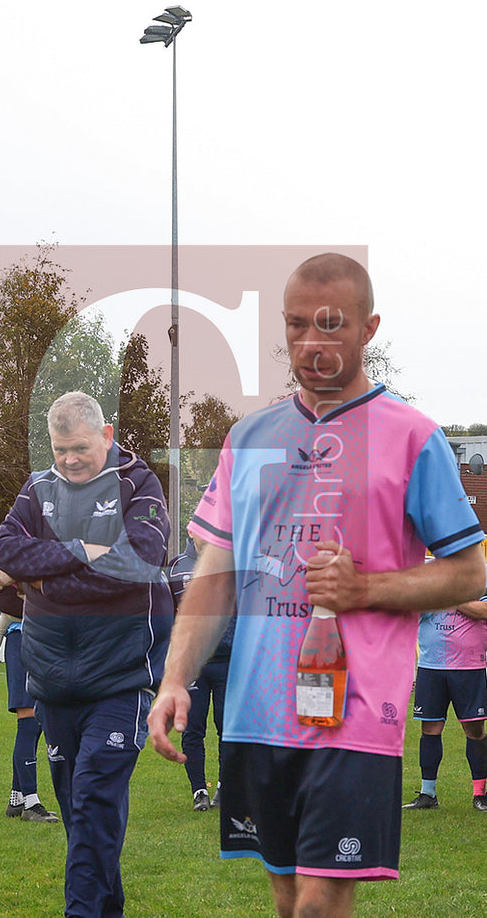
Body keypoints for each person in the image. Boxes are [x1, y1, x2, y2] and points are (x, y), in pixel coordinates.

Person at [147, 253, 486, 918]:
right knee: (283, 896)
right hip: (253, 712)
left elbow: (468, 571)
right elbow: (214, 576)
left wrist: (363, 590)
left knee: (318, 903)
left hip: (355, 714)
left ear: (368, 328)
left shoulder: (414, 437)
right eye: (295, 325)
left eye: (329, 325)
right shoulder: (247, 437)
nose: (309, 344)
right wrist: (174, 677)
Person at [0, 390, 173, 918]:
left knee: (93, 805)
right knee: (83, 820)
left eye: (80, 448)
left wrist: (46, 580)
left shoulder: (136, 483)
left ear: (107, 436)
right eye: (59, 449)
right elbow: (6, 548)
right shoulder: (38, 487)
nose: (69, 460)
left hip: (118, 682)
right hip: (50, 683)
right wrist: (81, 554)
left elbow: (140, 558)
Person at [0, 569, 61, 823]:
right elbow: (8, 602)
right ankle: (31, 802)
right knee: (28, 719)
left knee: (35, 724)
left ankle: (17, 797)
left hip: (40, 643)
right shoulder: (11, 562)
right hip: (23, 641)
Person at [401, 592, 487, 811]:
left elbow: (483, 611)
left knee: (474, 729)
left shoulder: (480, 582)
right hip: (431, 668)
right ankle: (427, 794)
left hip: (469, 669)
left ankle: (480, 794)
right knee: (430, 727)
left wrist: (449, 599)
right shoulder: (430, 584)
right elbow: (410, 611)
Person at [168, 536, 234, 811]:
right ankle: (198, 791)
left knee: (226, 728)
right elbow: (167, 614)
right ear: (192, 532)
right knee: (192, 727)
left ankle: (223, 787)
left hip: (227, 662)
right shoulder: (176, 568)